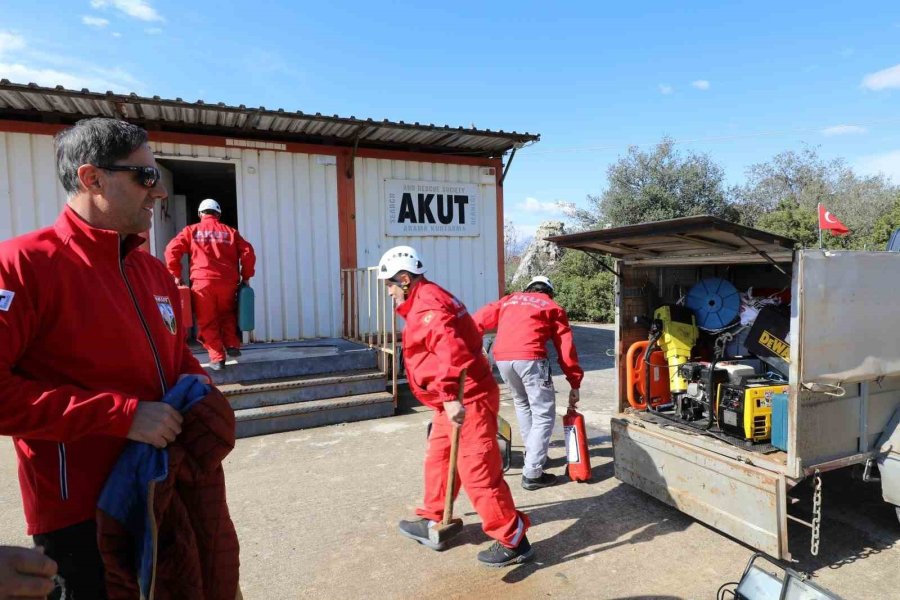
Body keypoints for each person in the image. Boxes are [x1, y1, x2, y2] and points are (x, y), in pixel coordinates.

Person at [0, 117, 211, 598]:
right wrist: (123, 416)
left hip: (162, 493)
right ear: (91, 178)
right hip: (80, 515)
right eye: (147, 176)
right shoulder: (21, 265)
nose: (158, 193)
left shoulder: (153, 272)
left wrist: (207, 398)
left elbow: (178, 360)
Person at [378, 245, 533, 567]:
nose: (389, 293)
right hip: (452, 400)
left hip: (466, 399)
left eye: (390, 285)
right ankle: (433, 517)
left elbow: (453, 351)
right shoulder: (428, 297)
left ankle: (513, 538)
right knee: (439, 457)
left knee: (478, 472)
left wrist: (449, 397)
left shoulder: (426, 307)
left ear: (404, 279)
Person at [473, 275, 584, 490]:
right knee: (543, 414)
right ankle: (533, 472)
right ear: (549, 292)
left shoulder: (509, 300)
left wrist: (477, 352)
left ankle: (532, 455)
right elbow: (565, 348)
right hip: (531, 359)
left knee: (523, 404)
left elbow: (476, 322)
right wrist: (574, 381)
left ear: (528, 289)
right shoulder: (552, 306)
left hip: (503, 359)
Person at [164, 198, 256, 371]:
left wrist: (176, 274)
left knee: (207, 321)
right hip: (228, 283)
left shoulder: (191, 230)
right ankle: (232, 345)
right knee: (227, 314)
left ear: (200, 214)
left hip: (202, 284)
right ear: (218, 213)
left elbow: (171, 250)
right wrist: (246, 276)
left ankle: (217, 358)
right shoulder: (230, 232)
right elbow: (248, 253)